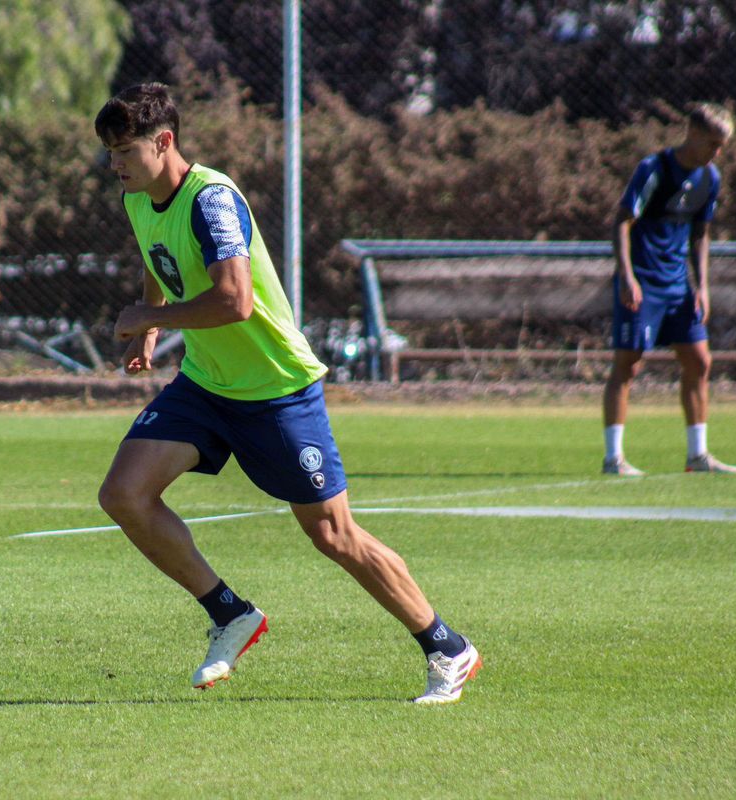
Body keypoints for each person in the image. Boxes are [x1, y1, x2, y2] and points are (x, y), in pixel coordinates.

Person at [94, 83, 480, 704]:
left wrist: (144, 316)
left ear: (164, 142)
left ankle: (446, 646)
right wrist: (153, 317)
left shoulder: (211, 201)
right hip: (206, 385)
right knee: (124, 494)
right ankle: (230, 614)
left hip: (276, 391)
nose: (114, 163)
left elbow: (235, 300)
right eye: (109, 152)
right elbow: (156, 256)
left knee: (334, 535)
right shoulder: (137, 197)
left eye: (124, 150)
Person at [602, 102, 736, 476]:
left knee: (699, 361)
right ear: (693, 134)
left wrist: (702, 286)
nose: (718, 151)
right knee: (628, 364)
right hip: (643, 282)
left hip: (679, 285)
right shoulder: (655, 169)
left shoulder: (710, 178)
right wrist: (627, 276)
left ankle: (698, 456)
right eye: (713, 143)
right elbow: (622, 221)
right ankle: (613, 459)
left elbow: (700, 234)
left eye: (722, 145)